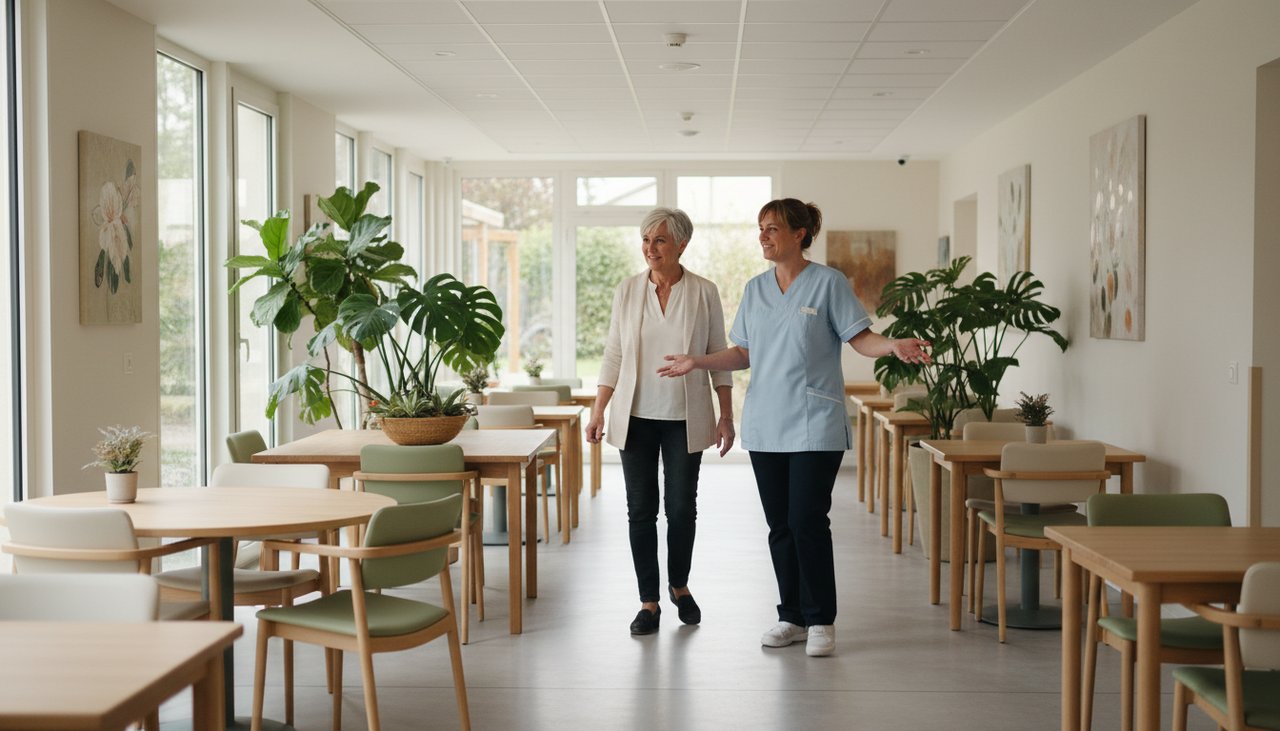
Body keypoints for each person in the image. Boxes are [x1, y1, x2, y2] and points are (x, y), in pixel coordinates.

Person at [658, 198, 930, 657]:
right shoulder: (755, 289)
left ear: (800, 234)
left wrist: (893, 345)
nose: (763, 236)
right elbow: (742, 353)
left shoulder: (828, 284)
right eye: (760, 228)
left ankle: (821, 618)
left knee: (807, 521)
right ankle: (792, 617)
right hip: (766, 423)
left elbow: (859, 338)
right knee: (779, 526)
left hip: (813, 423)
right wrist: (697, 361)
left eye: (772, 228)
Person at [586, 207, 735, 636]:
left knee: (682, 509)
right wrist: (598, 409)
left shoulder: (704, 291)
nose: (650, 249)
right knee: (640, 512)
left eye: (660, 241)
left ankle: (679, 585)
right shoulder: (628, 290)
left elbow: (718, 356)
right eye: (647, 240)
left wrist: (726, 415)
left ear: (682, 244)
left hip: (684, 417)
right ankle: (648, 602)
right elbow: (613, 353)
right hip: (634, 416)